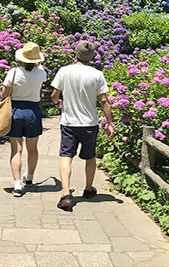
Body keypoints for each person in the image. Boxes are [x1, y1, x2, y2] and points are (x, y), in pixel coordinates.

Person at [50, 40, 115, 210]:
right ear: (92, 57)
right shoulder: (97, 74)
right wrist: (110, 123)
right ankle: (88, 189)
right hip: (89, 123)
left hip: (69, 122)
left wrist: (58, 103)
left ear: (75, 53)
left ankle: (65, 193)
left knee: (66, 156)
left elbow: (54, 95)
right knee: (90, 156)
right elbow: (104, 101)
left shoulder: (64, 71)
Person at [2, 42, 47, 197]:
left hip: (15, 110)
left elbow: (4, 94)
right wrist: (38, 64)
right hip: (33, 111)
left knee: (16, 149)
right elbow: (40, 70)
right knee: (32, 148)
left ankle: (16, 184)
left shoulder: (13, 72)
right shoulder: (41, 74)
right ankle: (29, 177)